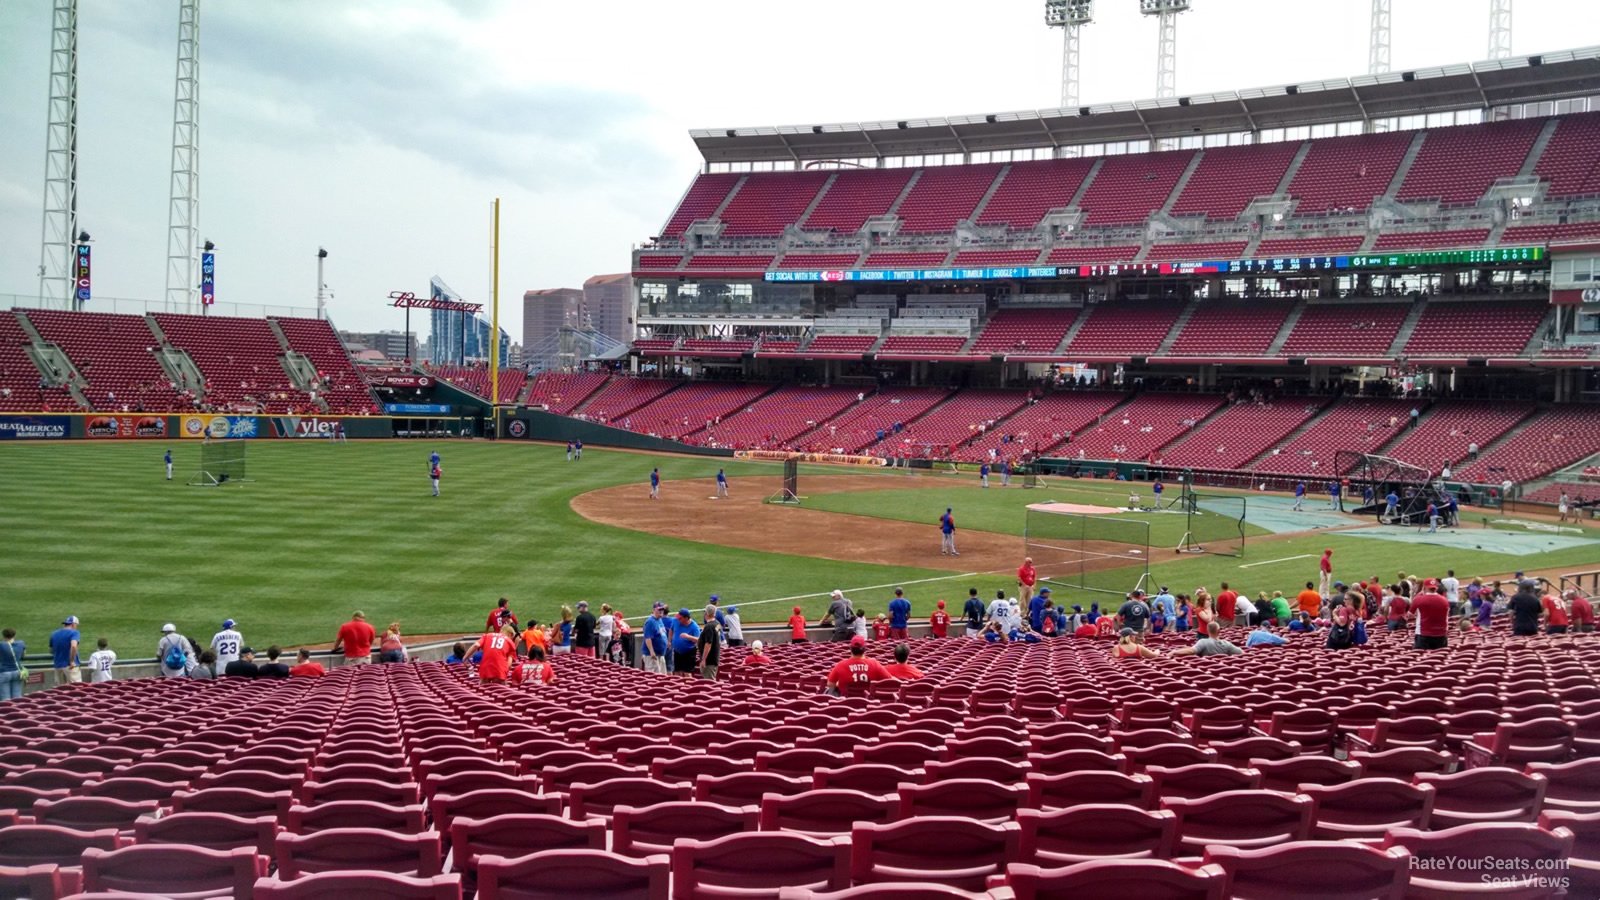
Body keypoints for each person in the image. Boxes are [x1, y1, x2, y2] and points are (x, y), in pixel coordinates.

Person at [826, 636, 890, 696]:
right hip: (869, 704)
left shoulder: (841, 665)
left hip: (846, 704)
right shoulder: (874, 663)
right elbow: (890, 681)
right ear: (865, 649)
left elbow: (830, 684)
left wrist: (839, 684)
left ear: (850, 649)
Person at [1411, 579, 1450, 650]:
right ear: (1436, 588)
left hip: (1423, 634)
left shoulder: (1418, 599)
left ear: (1424, 587)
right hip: (1441, 634)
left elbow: (1410, 615)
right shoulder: (1445, 600)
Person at [1172, 621, 1243, 656]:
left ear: (1207, 631)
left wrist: (1175, 651)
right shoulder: (1227, 644)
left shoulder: (1203, 642)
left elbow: (1192, 651)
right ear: (1219, 631)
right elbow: (1242, 653)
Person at [50, 616, 81, 686]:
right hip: (70, 667)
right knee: (76, 690)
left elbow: (51, 650)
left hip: (58, 666)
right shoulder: (74, 633)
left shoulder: (54, 634)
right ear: (73, 624)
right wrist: (72, 661)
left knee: (61, 691)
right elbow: (73, 646)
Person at [641, 603, 671, 673]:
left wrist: (666, 642)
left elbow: (662, 633)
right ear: (654, 610)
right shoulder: (650, 622)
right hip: (652, 655)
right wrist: (651, 651)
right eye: (659, 609)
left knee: (662, 676)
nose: (661, 611)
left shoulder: (659, 619)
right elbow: (648, 638)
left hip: (661, 654)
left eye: (662, 610)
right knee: (654, 677)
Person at [671, 609, 701, 676]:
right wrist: (669, 641)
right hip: (677, 651)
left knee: (687, 673)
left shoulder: (694, 627)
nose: (678, 620)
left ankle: (688, 686)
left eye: (680, 618)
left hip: (689, 652)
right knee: (677, 671)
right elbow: (671, 629)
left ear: (686, 618)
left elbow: (699, 640)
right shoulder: (676, 621)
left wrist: (688, 637)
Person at [0, 628, 25, 700]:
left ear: (3, 636)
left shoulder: (1, 645)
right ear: (14, 635)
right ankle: (17, 710)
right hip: (17, 672)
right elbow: (23, 656)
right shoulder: (21, 643)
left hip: (4, 673)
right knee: (17, 698)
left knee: (5, 699)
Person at [697, 610, 722, 680]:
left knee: (709, 683)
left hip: (709, 660)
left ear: (706, 614)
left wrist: (704, 659)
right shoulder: (717, 623)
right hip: (714, 658)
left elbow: (708, 643)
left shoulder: (709, 626)